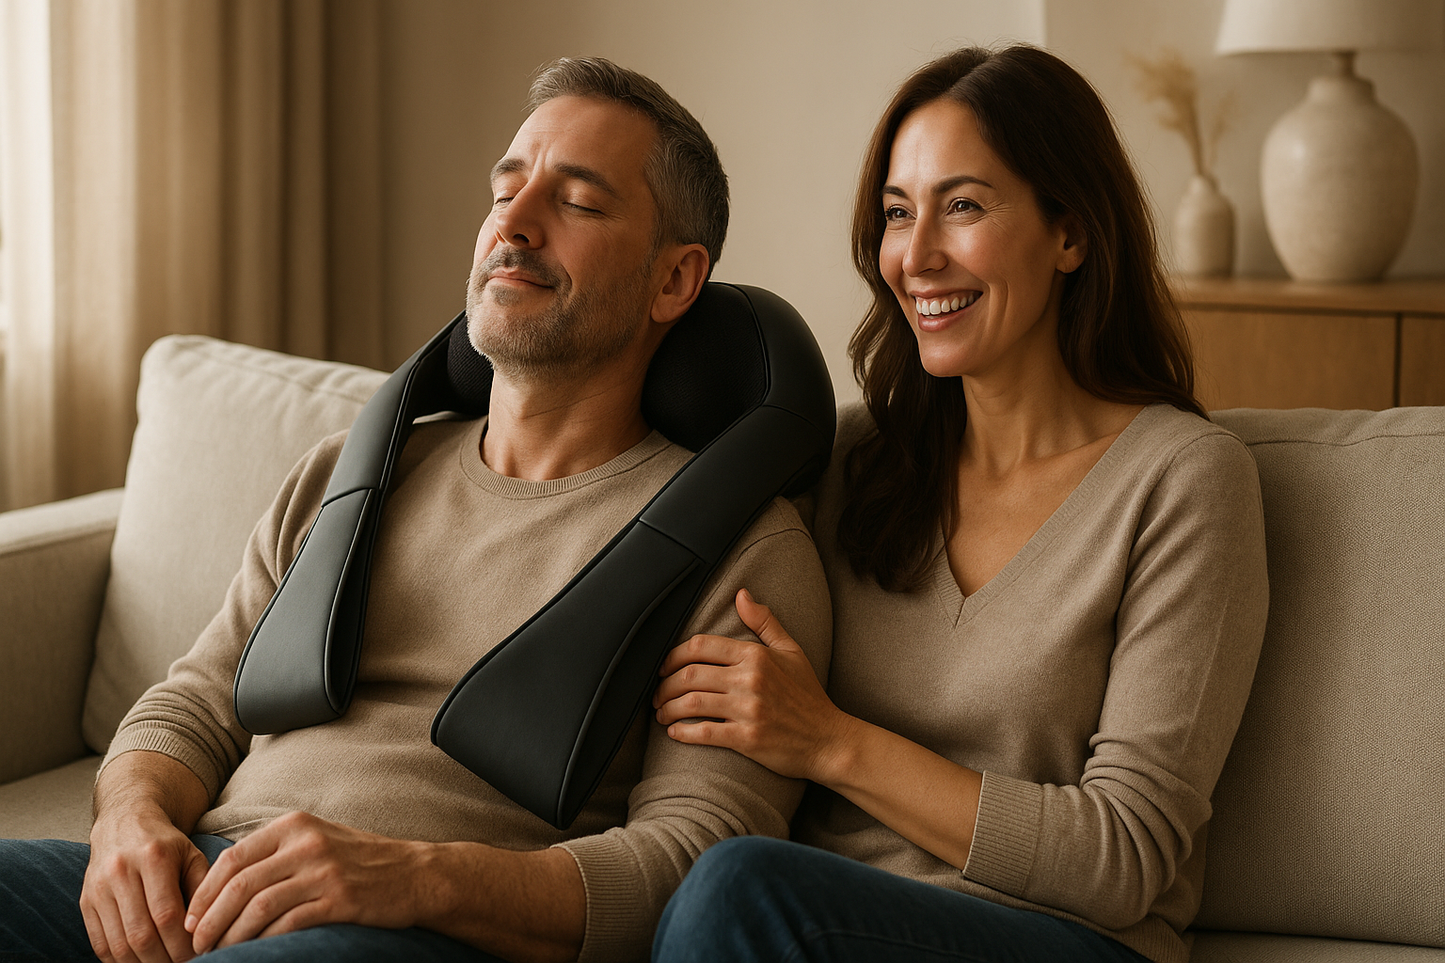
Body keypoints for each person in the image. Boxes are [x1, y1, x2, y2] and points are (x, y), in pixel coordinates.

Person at [0, 58, 831, 963]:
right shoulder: (350, 475)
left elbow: (689, 861)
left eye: (579, 203)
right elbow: (195, 703)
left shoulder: (739, 548)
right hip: (206, 881)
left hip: (418, 930)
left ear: (675, 281)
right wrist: (127, 823)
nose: (512, 224)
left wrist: (411, 876)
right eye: (504, 190)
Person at [650, 44, 1268, 963]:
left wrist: (829, 740)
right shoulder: (851, 459)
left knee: (738, 889)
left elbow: (1123, 857)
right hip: (817, 933)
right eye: (898, 214)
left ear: (1071, 232)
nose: (918, 255)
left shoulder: (1181, 480)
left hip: (1067, 940)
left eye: (963, 206)